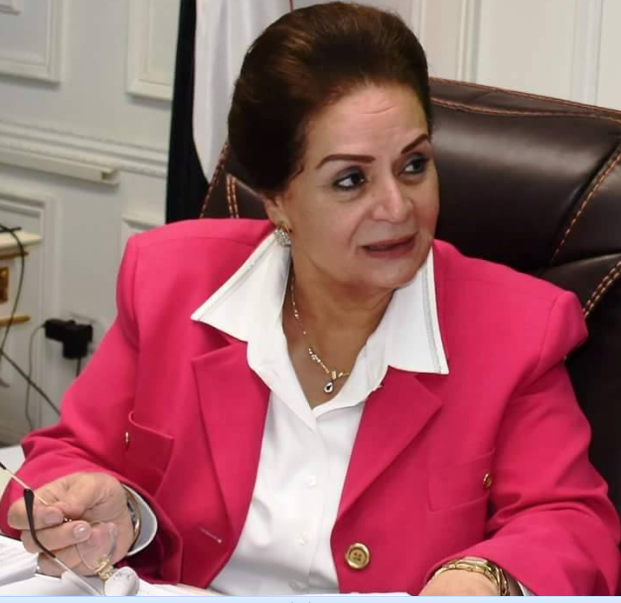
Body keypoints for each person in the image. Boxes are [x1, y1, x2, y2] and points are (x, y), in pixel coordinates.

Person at [0, 2, 619, 596]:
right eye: (351, 179)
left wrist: (485, 578)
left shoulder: (518, 328)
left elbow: (570, 523)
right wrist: (113, 515)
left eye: (413, 165)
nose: (398, 207)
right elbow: (64, 458)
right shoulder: (171, 281)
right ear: (277, 201)